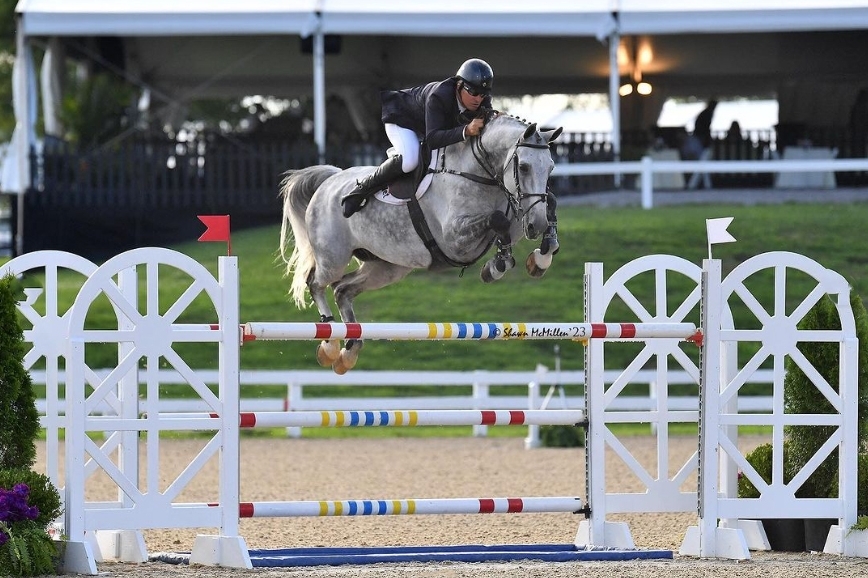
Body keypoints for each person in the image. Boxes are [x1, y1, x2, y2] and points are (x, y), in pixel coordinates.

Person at [341, 58, 495, 218]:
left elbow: (487, 120)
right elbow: (433, 139)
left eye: (483, 94)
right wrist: (466, 130)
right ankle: (360, 191)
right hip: (402, 119)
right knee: (410, 160)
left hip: (425, 126)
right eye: (473, 93)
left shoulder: (482, 100)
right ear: (459, 85)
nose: (478, 99)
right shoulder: (439, 96)